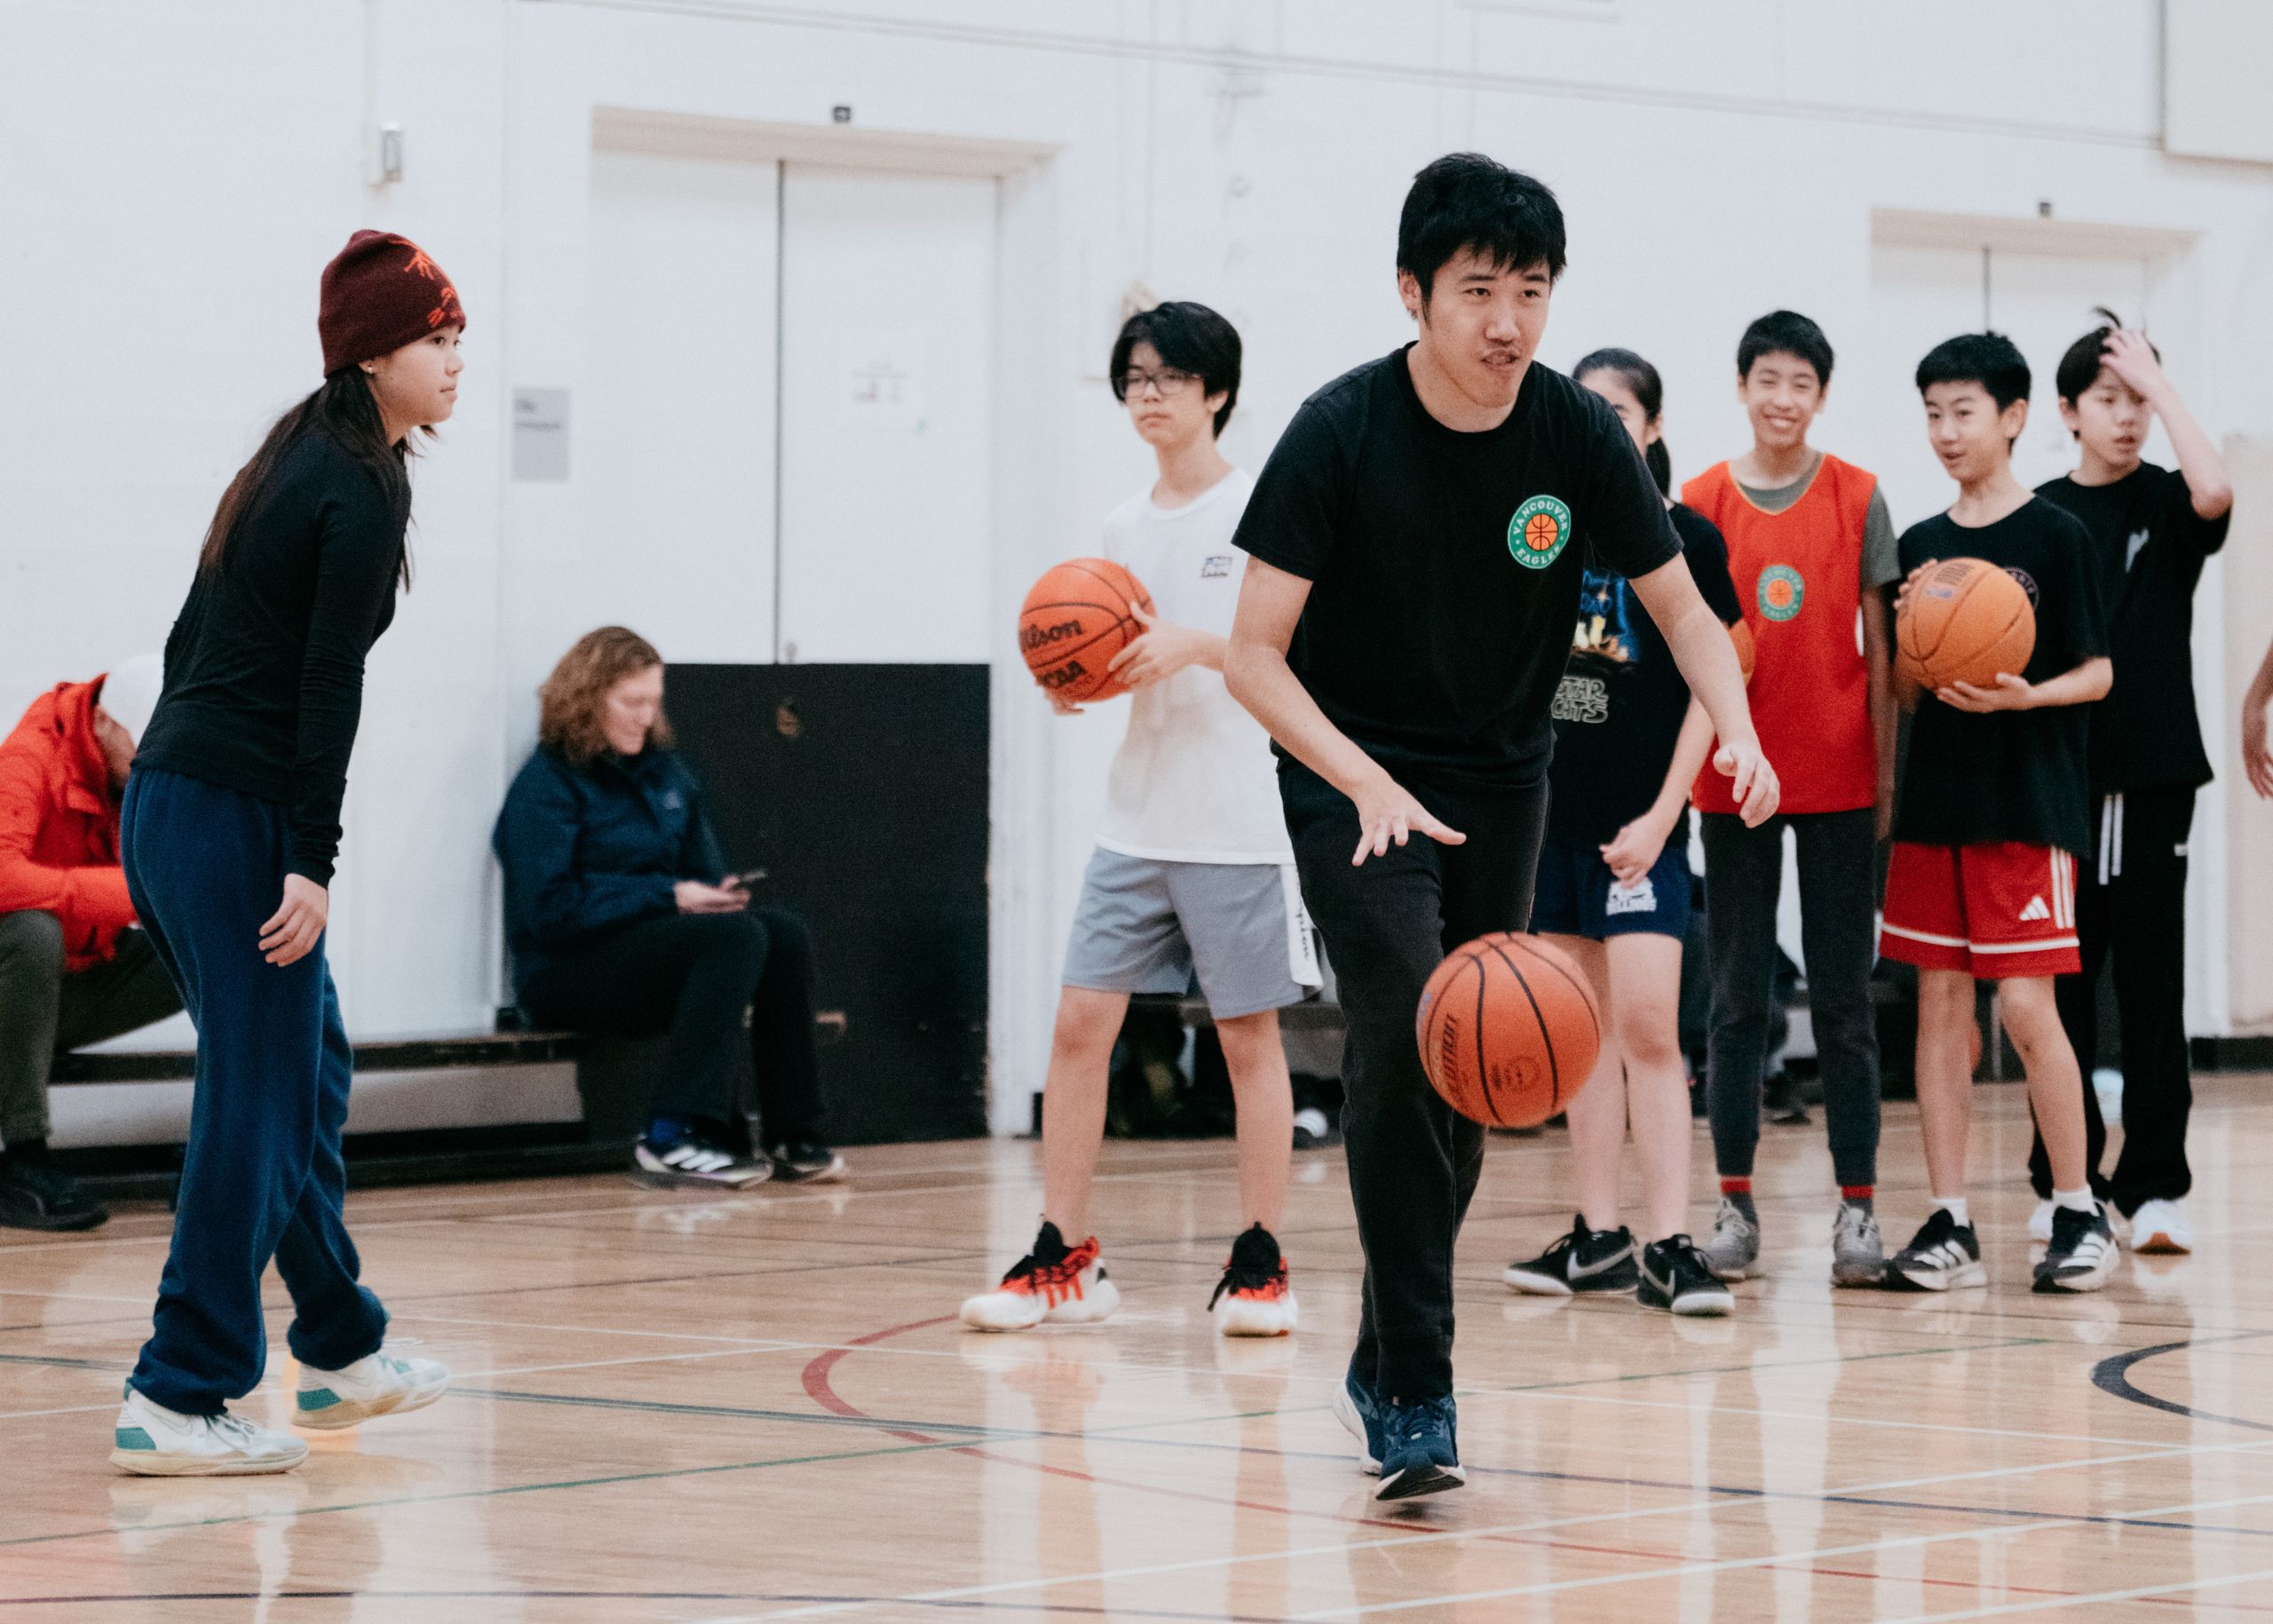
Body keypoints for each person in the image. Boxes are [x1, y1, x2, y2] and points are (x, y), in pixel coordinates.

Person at [1224, 154, 1778, 1500]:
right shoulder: (1338, 429)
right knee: (1411, 1028)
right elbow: (1252, 654)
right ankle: (1419, 1381)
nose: (1508, 322)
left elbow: (1685, 607)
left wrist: (1741, 731)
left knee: (1476, 1068)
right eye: (1479, 289)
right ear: (1414, 292)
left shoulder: (1574, 436)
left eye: (1531, 291)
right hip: (1349, 770)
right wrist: (1358, 777)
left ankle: (1383, 1342)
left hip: (1498, 779)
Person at [111, 231, 462, 1476]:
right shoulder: (352, 482)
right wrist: (309, 859)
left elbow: (186, 641)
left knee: (302, 1071)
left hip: (173, 802)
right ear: (373, 354)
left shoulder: (304, 460)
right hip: (231, 816)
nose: (456, 359)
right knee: (257, 1099)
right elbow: (327, 691)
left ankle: (341, 1346)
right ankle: (178, 1386)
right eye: (437, 337)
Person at [962, 302, 1315, 1339]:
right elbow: (1122, 653)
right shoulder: (1121, 526)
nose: (1147, 393)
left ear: (1217, 391)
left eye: (1167, 376)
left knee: (1248, 1041)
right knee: (1079, 1029)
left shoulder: (1266, 508)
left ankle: (1261, 1258)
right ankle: (1066, 1252)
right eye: (1134, 377)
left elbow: (1289, 657)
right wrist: (1079, 677)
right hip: (1136, 812)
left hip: (1237, 818)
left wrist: (1199, 648)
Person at [1501, 348, 1740, 1318]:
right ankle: (1596, 1233)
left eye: (1616, 410)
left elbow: (1709, 687)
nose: (1598, 423)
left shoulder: (1686, 536)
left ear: (1648, 427)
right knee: (1578, 1037)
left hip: (1641, 828)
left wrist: (1663, 813)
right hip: (1547, 824)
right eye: (1583, 408)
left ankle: (1670, 1239)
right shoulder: (1539, 531)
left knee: (1649, 1028)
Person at [1881, 332, 2117, 1295]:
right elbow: (1903, 692)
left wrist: (2026, 697)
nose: (1944, 430)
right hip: (1937, 801)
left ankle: (2075, 1203)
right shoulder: (1919, 546)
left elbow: (2099, 671)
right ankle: (1950, 1219)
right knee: (1939, 1006)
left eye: (1962, 411)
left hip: (2027, 801)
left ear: (2013, 417)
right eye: (1932, 412)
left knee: (2025, 1005)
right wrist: (1912, 639)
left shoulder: (2058, 537)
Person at [1681, 310, 1897, 1288]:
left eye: (1800, 382)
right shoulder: (1699, 501)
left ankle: (1858, 1210)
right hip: (1733, 781)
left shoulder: (1859, 495)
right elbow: (1689, 651)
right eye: (1766, 378)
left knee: (1845, 1000)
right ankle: (1732, 1203)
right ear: (1740, 386)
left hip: (1842, 778)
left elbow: (1885, 657)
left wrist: (1887, 782)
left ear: (1819, 394)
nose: (1781, 397)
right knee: (1734, 1000)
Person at [2022, 313, 2233, 1255]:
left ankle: (2155, 1188)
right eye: (2108, 399)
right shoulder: (2041, 516)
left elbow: (2219, 486)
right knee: (2057, 989)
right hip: (2060, 778)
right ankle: (2065, 1180)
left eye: (2137, 401)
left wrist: (2160, 383)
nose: (2127, 417)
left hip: (2152, 778)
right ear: (2066, 410)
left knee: (2150, 987)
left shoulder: (2166, 500)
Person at [495, 627, 842, 1190]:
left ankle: (793, 1134)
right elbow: (550, 909)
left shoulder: (667, 776)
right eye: (631, 703)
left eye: (653, 703)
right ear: (587, 700)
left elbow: (696, 873)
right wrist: (668, 897)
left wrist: (715, 894)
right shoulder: (547, 786)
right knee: (736, 940)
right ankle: (672, 1135)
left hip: (655, 955)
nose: (644, 717)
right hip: (567, 971)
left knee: (779, 933)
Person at [0, 655, 176, 1231]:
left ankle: (231, 1146)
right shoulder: (30, 755)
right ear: (102, 722)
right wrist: (121, 891)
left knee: (203, 946)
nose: (147, 764)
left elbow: (168, 887)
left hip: (67, 983)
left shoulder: (136, 776)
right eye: (138, 748)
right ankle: (23, 1157)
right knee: (31, 928)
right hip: (19, 972)